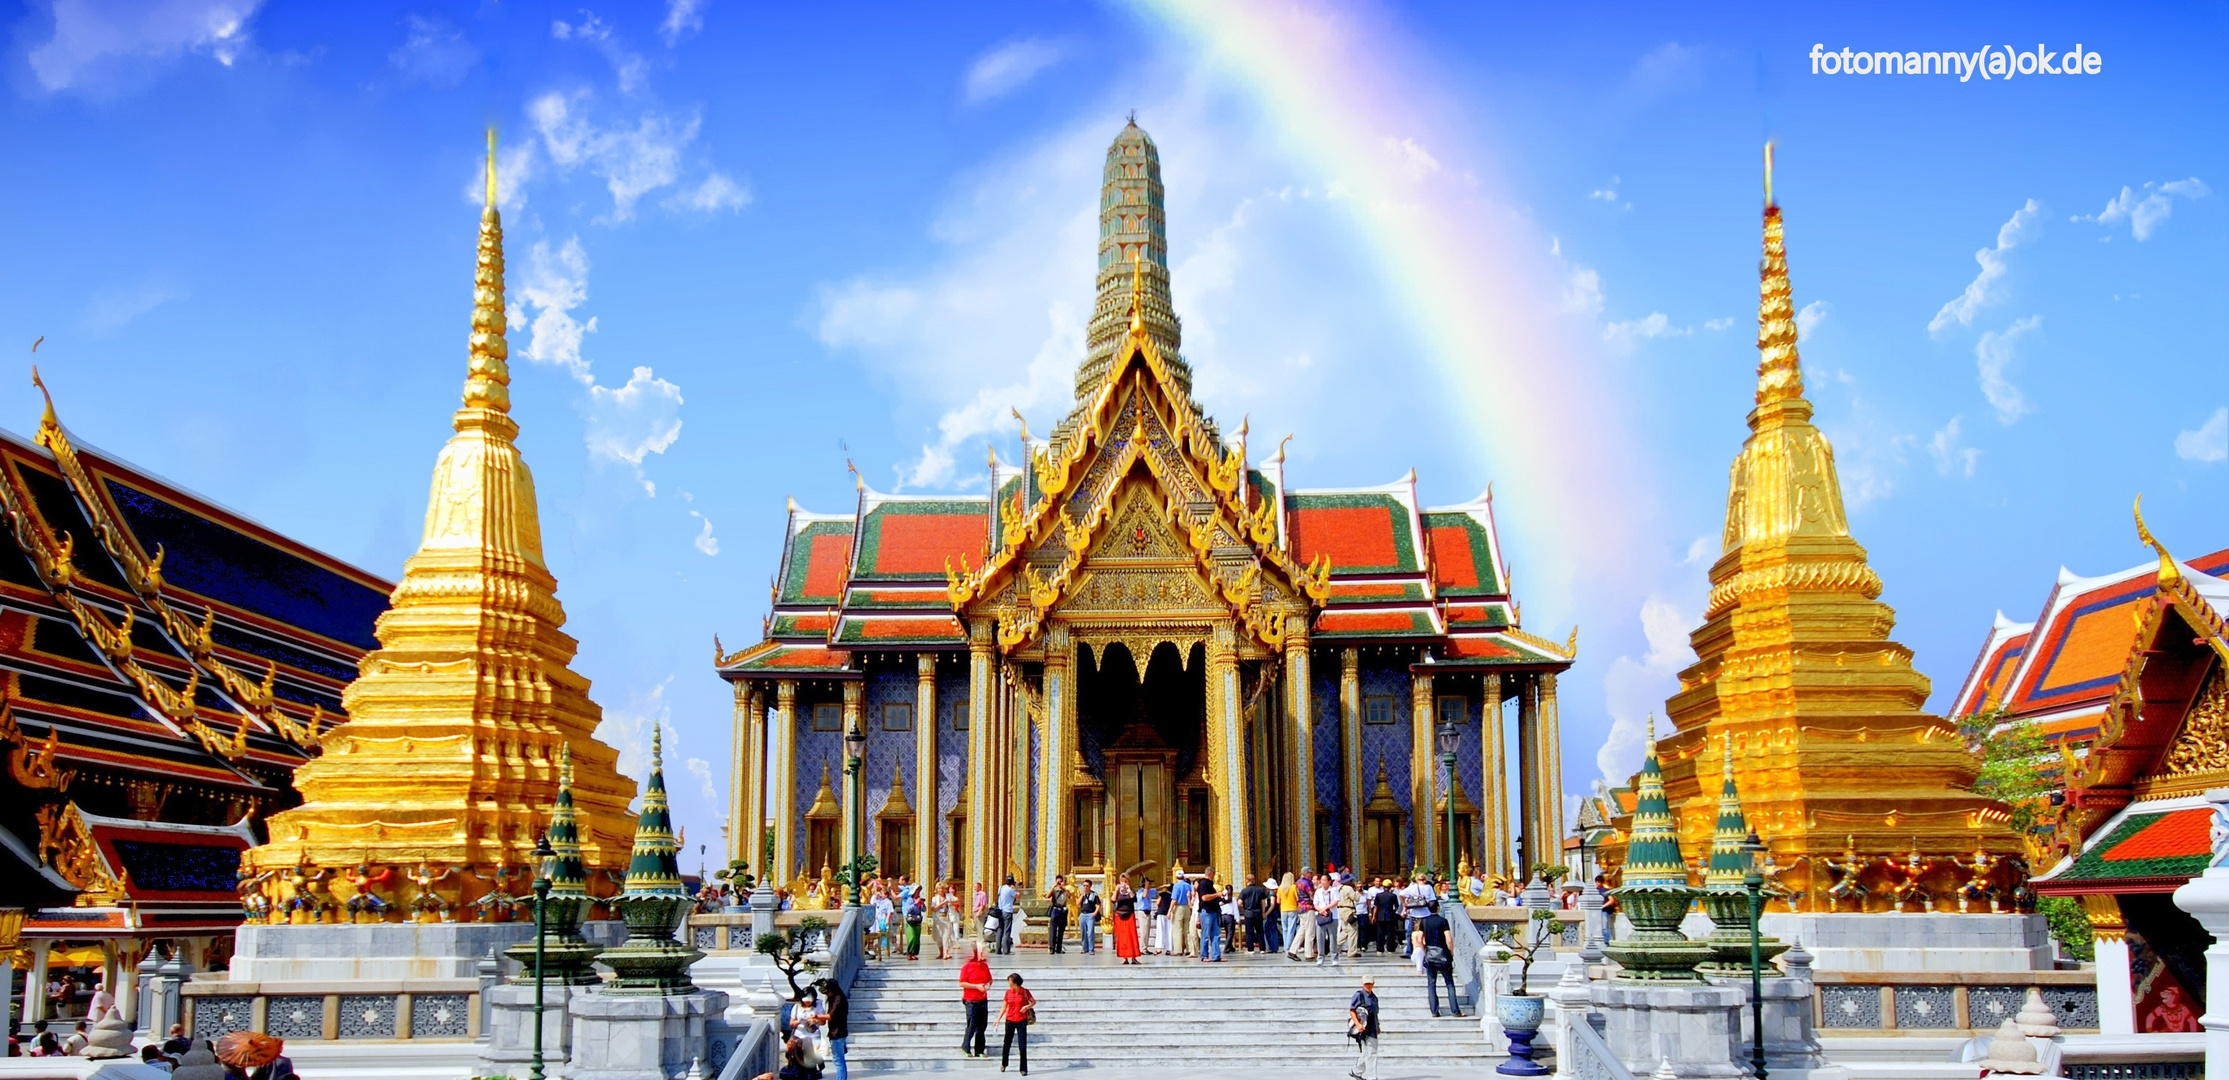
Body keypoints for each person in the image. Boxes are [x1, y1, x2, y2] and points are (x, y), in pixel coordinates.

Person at [1412, 898, 1462, 1018]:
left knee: (1431, 983)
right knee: (1449, 983)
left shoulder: (1424, 921)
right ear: (1438, 908)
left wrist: (1425, 948)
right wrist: (1451, 952)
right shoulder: (1443, 921)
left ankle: (1434, 1011)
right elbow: (1449, 939)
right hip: (1443, 954)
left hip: (1430, 954)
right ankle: (1455, 1011)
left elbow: (1419, 939)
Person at [958, 945, 992, 1058]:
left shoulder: (985, 966)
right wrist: (976, 986)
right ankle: (966, 1047)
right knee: (971, 1025)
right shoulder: (967, 967)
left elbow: (990, 980)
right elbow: (962, 983)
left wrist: (987, 985)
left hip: (982, 999)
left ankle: (979, 1050)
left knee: (982, 1026)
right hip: (971, 1000)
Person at [999, 973, 1035, 1075]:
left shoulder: (1025, 992)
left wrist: (1026, 1007)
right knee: (1007, 1043)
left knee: (1022, 1045)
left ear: (1015, 983)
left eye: (1010, 982)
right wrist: (998, 1019)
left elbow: (1033, 1002)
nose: (1009, 984)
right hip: (1010, 1020)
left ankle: (1023, 1068)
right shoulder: (1008, 992)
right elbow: (1004, 1006)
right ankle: (1004, 1063)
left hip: (1021, 1020)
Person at [1348, 976, 1380, 1080]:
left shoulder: (1374, 997)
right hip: (1364, 1029)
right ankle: (1372, 1077)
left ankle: (1356, 1071)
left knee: (1368, 1052)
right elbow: (1352, 1010)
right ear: (1363, 984)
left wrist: (1378, 1025)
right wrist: (1358, 1024)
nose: (1368, 985)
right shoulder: (1359, 995)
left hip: (1373, 1027)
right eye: (1366, 984)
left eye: (1370, 983)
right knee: (1371, 1053)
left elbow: (1375, 1013)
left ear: (1373, 984)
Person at [819, 979, 850, 1080]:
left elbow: (831, 1016)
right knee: (839, 1060)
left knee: (838, 1060)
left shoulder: (839, 999)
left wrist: (815, 1016)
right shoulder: (836, 999)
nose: (827, 994)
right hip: (837, 1032)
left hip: (838, 1033)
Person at [1111, 874, 1141, 964]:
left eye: (1125, 881)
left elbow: (1134, 899)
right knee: (1122, 937)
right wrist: (1116, 890)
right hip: (1119, 915)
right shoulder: (1118, 891)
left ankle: (1133, 957)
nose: (1123, 883)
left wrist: (1128, 890)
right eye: (1122, 881)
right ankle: (1125, 958)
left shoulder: (1131, 891)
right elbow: (1112, 900)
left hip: (1129, 914)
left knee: (1131, 936)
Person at [1195, 871, 1225, 962]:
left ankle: (1216, 955)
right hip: (1207, 911)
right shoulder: (1204, 883)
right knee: (1205, 934)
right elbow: (1204, 898)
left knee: (1216, 934)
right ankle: (1204, 955)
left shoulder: (1210, 885)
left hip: (1214, 911)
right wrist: (1217, 894)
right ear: (1211, 873)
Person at [1372, 879, 1402, 954]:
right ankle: (1390, 949)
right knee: (1390, 933)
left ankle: (1380, 949)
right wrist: (1393, 912)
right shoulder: (1393, 896)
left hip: (1380, 916)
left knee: (1380, 933)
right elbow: (1396, 906)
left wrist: (1374, 916)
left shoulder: (1378, 895)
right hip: (1390, 916)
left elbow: (1376, 907)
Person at [1168, 873, 1194, 956]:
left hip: (1179, 907)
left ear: (1176, 877)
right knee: (1187, 929)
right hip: (1187, 907)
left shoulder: (1176, 886)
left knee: (1178, 929)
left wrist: (1169, 910)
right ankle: (1189, 949)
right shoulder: (1188, 885)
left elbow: (1174, 899)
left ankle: (1178, 950)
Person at [995, 876, 1019, 955]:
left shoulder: (1001, 888)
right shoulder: (1010, 890)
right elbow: (1018, 896)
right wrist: (1016, 888)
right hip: (1007, 911)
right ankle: (1006, 950)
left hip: (1000, 911)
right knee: (1007, 931)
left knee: (1000, 930)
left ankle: (998, 949)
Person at [1046, 875, 1070, 955]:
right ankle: (1052, 948)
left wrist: (1064, 889)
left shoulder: (1066, 891)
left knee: (1061, 930)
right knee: (1053, 930)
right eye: (1058, 882)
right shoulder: (1054, 891)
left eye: (1061, 881)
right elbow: (1047, 896)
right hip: (1055, 910)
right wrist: (1054, 887)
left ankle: (1059, 947)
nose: (1059, 883)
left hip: (1062, 911)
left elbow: (1070, 896)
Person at [1076, 880, 1101, 954]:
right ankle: (1084, 948)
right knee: (1083, 932)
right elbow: (1077, 903)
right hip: (1083, 914)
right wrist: (1082, 895)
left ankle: (1091, 949)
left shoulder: (1094, 894)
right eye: (1084, 886)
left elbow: (1099, 904)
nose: (1085, 887)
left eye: (1087, 886)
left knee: (1090, 932)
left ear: (1090, 886)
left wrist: (1095, 913)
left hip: (1090, 915)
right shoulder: (1082, 895)